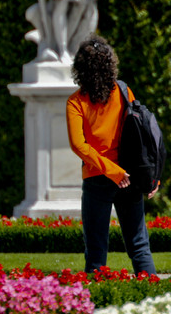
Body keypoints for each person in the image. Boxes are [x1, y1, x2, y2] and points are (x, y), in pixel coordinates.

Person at [66, 35, 157, 275]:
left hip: (98, 179)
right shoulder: (124, 91)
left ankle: (96, 307)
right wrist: (151, 175)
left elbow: (79, 145)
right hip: (129, 175)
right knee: (139, 247)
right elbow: (143, 137)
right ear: (110, 64)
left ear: (80, 69)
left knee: (96, 253)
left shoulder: (76, 102)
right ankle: (154, 300)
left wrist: (110, 171)